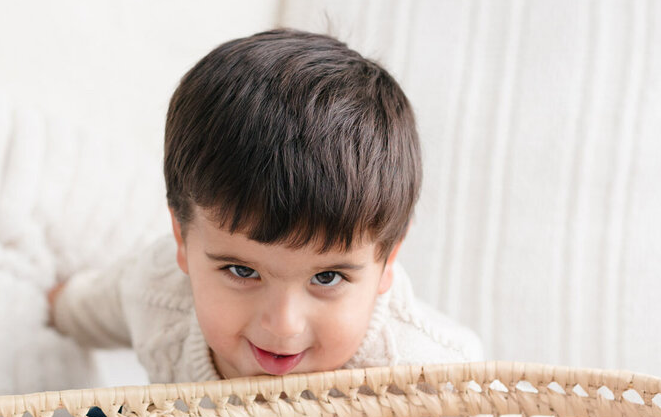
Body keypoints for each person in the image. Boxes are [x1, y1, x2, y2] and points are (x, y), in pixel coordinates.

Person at [49, 29, 482, 381]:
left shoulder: (432, 377)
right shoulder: (157, 292)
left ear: (388, 260)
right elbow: (96, 305)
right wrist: (58, 306)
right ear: (182, 239)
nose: (284, 325)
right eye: (242, 271)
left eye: (327, 277)